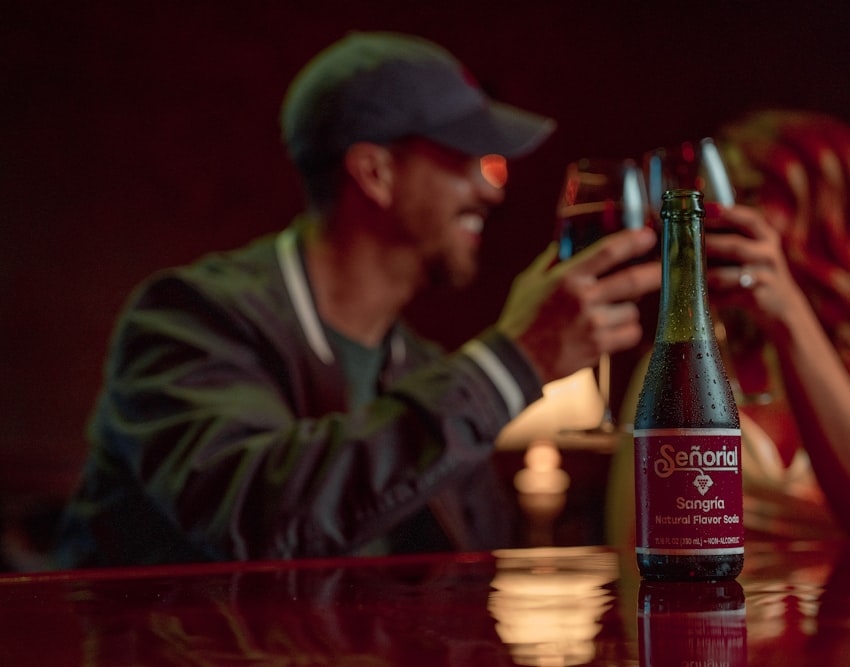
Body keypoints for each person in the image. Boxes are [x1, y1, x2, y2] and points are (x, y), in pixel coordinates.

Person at [54, 31, 661, 568]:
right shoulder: (189, 320)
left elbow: (475, 579)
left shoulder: (420, 368)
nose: (489, 190)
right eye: (467, 159)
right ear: (375, 173)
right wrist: (511, 364)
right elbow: (254, 517)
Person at [607, 109, 850, 546]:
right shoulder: (688, 370)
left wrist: (787, 312)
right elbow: (637, 539)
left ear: (835, 214)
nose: (717, 213)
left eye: (748, 193)